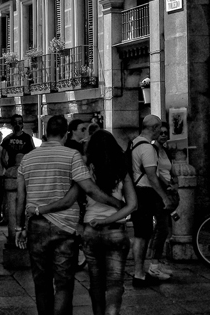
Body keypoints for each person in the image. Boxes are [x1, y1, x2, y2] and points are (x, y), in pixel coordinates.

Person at [15, 114, 123, 315]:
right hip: (65, 226)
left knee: (41, 282)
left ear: (46, 133)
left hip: (36, 225)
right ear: (65, 134)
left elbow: (20, 199)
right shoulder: (71, 156)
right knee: (64, 283)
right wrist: (116, 202)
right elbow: (89, 189)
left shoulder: (27, 159)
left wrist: (19, 227)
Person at [81, 129, 137, 315]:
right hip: (116, 231)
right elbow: (132, 205)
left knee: (96, 282)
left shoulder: (86, 169)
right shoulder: (121, 170)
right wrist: (108, 219)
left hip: (90, 228)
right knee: (115, 283)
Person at [129, 114, 172, 286]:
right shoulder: (147, 148)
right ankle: (139, 274)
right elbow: (152, 177)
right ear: (153, 128)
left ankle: (139, 272)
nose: (159, 132)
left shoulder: (134, 142)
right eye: (158, 128)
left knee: (142, 234)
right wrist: (164, 197)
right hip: (144, 192)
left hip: (136, 191)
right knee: (142, 235)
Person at [147, 120, 178, 280]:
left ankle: (157, 263)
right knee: (162, 228)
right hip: (158, 193)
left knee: (164, 228)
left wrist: (174, 181)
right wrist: (167, 185)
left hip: (168, 191)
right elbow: (155, 173)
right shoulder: (152, 150)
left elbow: (168, 169)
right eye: (161, 133)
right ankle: (153, 265)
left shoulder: (165, 150)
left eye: (166, 133)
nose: (164, 135)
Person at [2, 114, 35, 244]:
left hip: (20, 172)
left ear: (22, 124)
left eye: (19, 122)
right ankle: (18, 234)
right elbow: (3, 156)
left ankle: (17, 234)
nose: (17, 124)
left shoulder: (25, 138)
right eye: (15, 122)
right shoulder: (10, 139)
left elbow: (3, 156)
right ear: (12, 124)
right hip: (16, 172)